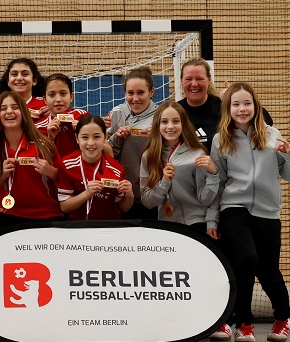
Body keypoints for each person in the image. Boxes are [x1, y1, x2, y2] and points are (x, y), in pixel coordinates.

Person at [207, 83, 290, 342]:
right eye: (236, 104)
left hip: (268, 213)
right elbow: (219, 182)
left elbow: (289, 174)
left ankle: (283, 318)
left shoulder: (271, 135)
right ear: (228, 109)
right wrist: (214, 219)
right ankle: (243, 323)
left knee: (268, 270)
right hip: (234, 208)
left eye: (247, 103)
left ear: (255, 106)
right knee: (245, 259)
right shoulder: (220, 140)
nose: (242, 108)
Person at [0, 91, 62, 228]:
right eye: (3, 109)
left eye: (15, 107)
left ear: (24, 113)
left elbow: (64, 180)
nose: (9, 112)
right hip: (10, 215)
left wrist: (51, 171)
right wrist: (2, 175)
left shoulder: (43, 144)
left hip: (47, 215)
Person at [139, 102, 218, 231]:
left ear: (183, 124)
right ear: (157, 125)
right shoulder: (149, 156)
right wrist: (164, 183)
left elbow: (206, 199)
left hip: (196, 221)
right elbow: (147, 202)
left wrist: (213, 175)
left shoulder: (197, 153)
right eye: (164, 122)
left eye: (176, 121)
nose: (170, 126)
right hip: (167, 223)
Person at [178, 58, 272, 151]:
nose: (194, 84)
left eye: (199, 79)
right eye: (188, 79)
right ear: (181, 81)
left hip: (223, 165)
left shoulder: (223, 106)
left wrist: (234, 99)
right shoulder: (176, 111)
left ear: (209, 79)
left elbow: (266, 119)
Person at [107, 66, 159, 220]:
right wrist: (117, 137)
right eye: (130, 93)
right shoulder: (117, 113)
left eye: (141, 92)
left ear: (152, 92)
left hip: (153, 192)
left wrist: (158, 138)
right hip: (125, 193)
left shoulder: (161, 116)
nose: (135, 98)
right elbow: (110, 154)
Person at [57, 115, 133, 220]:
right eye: (85, 137)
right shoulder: (66, 165)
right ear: (77, 138)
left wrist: (129, 194)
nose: (91, 143)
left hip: (108, 228)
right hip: (77, 228)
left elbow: (124, 208)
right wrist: (87, 193)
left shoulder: (117, 169)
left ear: (105, 137)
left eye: (96, 137)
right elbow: (64, 207)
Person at [35, 73, 89, 158]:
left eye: (63, 94)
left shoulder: (82, 116)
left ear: (71, 97)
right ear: (45, 99)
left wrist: (85, 132)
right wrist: (50, 139)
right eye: (52, 95)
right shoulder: (38, 128)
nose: (58, 99)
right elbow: (39, 158)